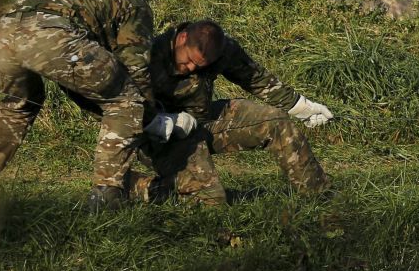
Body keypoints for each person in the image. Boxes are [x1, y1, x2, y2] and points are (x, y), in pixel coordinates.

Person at [0, 0, 162, 214]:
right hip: (49, 32)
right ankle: (107, 197)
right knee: (126, 100)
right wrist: (153, 118)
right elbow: (136, 67)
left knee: (18, 105)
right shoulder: (136, 1)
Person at [125, 19, 333, 204]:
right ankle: (128, 184)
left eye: (198, 66)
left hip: (202, 122)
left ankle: (318, 195)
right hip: (161, 138)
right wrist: (160, 121)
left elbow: (254, 77)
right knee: (211, 201)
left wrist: (300, 106)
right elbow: (120, 105)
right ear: (182, 38)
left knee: (276, 121)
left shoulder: (222, 51)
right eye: (187, 60)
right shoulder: (148, 54)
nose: (190, 68)